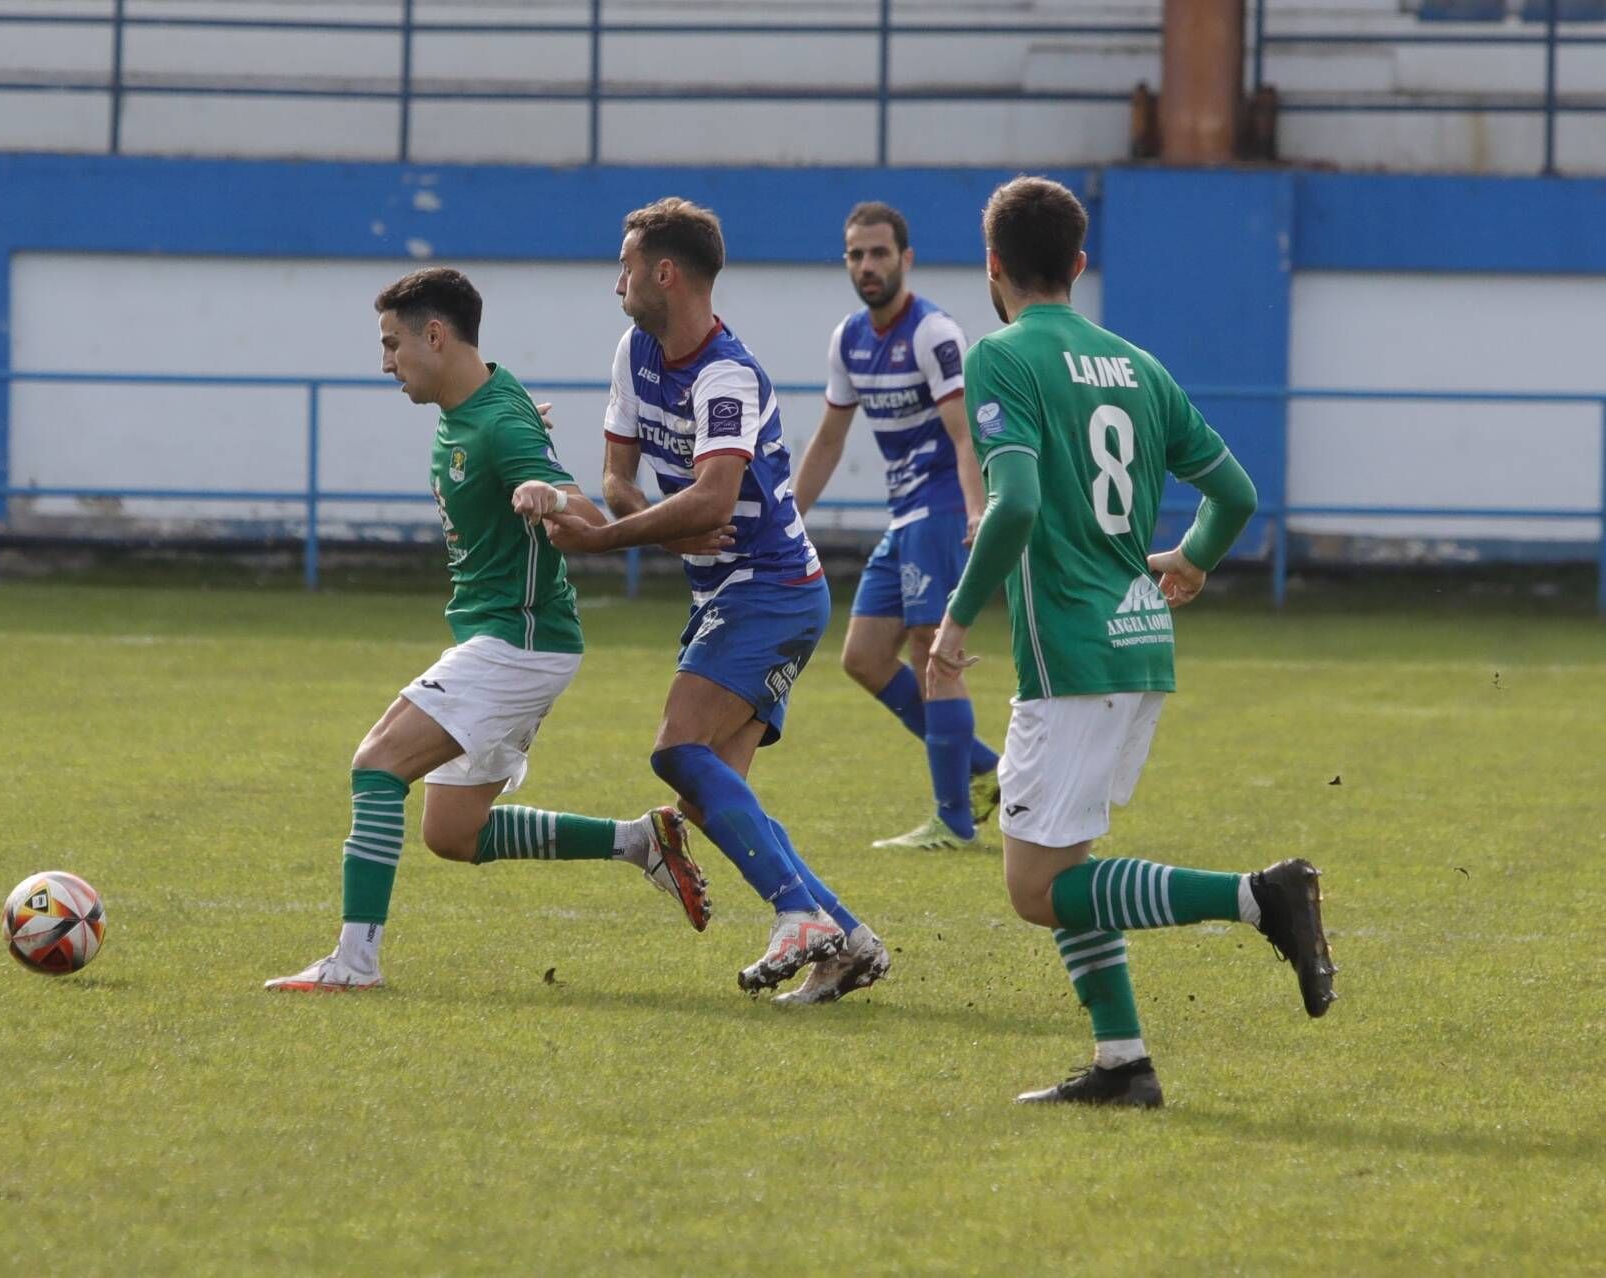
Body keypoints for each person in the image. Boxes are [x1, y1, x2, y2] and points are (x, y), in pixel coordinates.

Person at [927, 176, 1336, 1104]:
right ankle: (1123, 1064)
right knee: (1065, 861)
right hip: (1138, 637)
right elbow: (1234, 494)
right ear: (1077, 265)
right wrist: (1190, 560)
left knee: (1034, 890)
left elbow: (1016, 504)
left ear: (991, 265)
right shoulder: (1136, 366)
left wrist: (953, 622)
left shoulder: (1001, 357)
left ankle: (1256, 896)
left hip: (1072, 651)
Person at [265, 267, 712, 994]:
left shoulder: (500, 423)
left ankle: (353, 963)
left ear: (434, 335)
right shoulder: (478, 404)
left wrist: (549, 496)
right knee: (453, 833)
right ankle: (638, 841)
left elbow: (592, 521)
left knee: (376, 764)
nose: (385, 363)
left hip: (518, 643)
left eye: (391, 345)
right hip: (509, 640)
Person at [541, 198, 888, 1004]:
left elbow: (713, 496)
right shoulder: (636, 349)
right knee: (705, 797)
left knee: (674, 749)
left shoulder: (727, 374)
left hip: (770, 589)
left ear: (665, 273)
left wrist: (602, 541)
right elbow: (618, 480)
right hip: (740, 593)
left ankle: (797, 912)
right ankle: (848, 941)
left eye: (625, 266)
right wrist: (649, 529)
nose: (615, 283)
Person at [793, 201, 1003, 851]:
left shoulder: (932, 333)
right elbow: (828, 441)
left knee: (929, 651)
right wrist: (786, 518)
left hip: (941, 507)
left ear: (905, 259)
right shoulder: (848, 339)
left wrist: (975, 511)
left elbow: (964, 434)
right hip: (904, 511)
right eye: (855, 254)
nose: (866, 265)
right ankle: (989, 769)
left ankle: (952, 820)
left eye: (879, 253)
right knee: (861, 657)